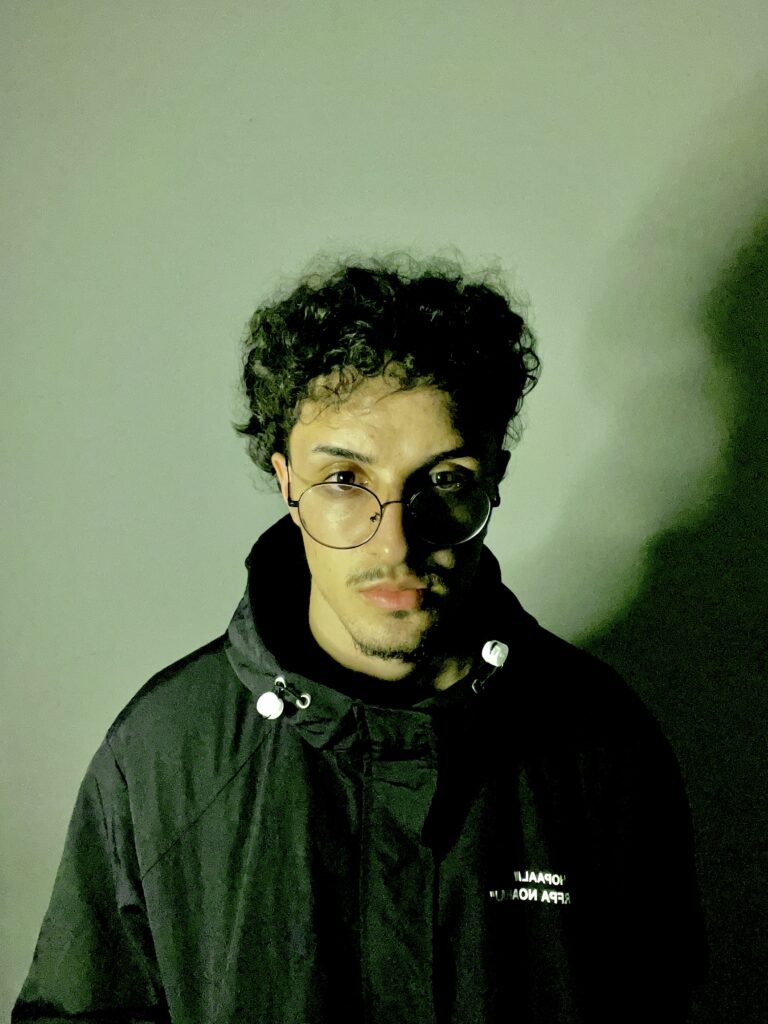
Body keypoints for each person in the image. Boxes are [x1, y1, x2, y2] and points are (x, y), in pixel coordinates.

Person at [13, 257, 707, 1023]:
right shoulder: (162, 754)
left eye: (445, 479)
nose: (396, 542)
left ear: (494, 478)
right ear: (287, 483)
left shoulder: (602, 744)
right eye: (345, 479)